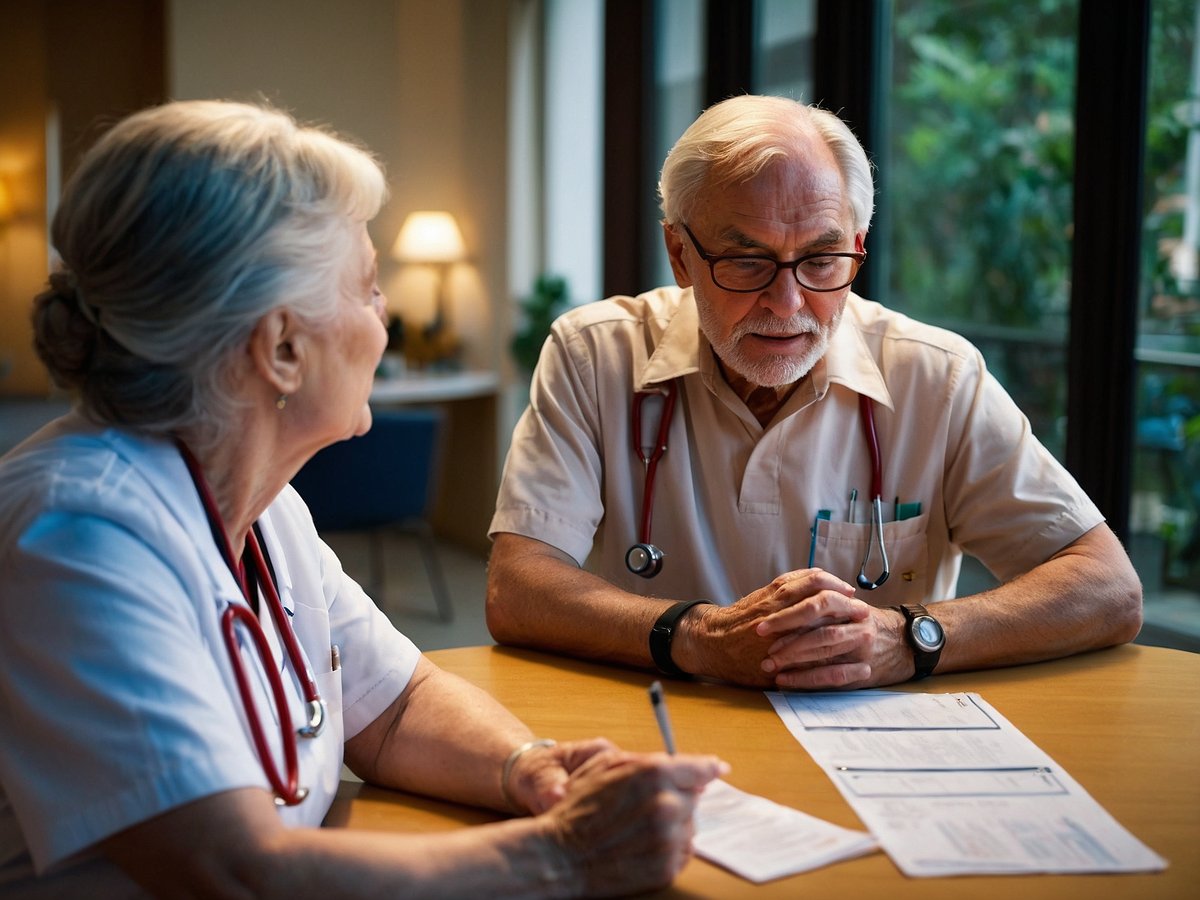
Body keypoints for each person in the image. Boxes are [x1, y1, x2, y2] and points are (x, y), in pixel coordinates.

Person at [0, 100, 726, 897]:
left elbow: (396, 705)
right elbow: (234, 871)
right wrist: (566, 854)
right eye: (368, 289)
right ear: (282, 347)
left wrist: (533, 770)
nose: (385, 322)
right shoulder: (73, 537)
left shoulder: (265, 507)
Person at [486, 94, 1142, 691]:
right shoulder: (594, 355)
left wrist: (909, 638)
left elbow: (1108, 587)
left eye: (822, 261)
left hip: (872, 741)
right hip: (660, 727)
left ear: (857, 247)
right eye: (747, 261)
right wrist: (699, 639)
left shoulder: (937, 377)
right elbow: (516, 589)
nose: (788, 302)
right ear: (680, 254)